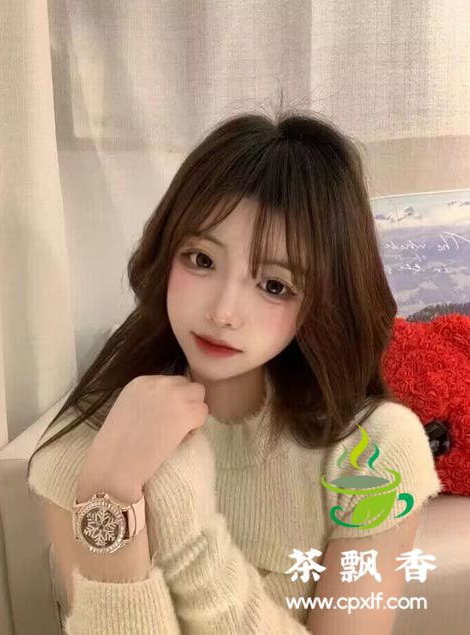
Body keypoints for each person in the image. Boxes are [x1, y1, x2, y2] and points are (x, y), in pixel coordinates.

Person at [26, 106, 442, 634]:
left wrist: (187, 534)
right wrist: (110, 489)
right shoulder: (90, 443)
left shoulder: (374, 452)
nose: (223, 311)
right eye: (201, 259)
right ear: (165, 252)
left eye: (274, 285)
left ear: (321, 302)